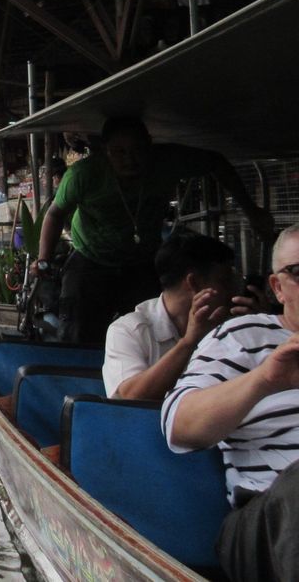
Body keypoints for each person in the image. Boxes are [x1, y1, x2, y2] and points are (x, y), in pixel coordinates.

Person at [34, 116, 273, 345]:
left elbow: (217, 162)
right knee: (78, 333)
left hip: (141, 259)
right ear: (106, 151)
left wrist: (251, 210)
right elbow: (55, 214)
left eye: (137, 150)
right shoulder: (83, 175)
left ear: (149, 145)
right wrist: (43, 258)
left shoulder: (167, 161)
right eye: (120, 152)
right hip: (91, 258)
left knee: (153, 330)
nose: (130, 159)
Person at [162, 223, 299, 581]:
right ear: (277, 287)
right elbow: (179, 425)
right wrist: (265, 379)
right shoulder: (243, 335)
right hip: (267, 518)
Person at [103, 233, 258, 400]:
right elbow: (131, 397)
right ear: (194, 282)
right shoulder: (128, 330)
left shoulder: (230, 323)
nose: (233, 290)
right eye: (224, 281)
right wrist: (189, 342)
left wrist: (261, 329)